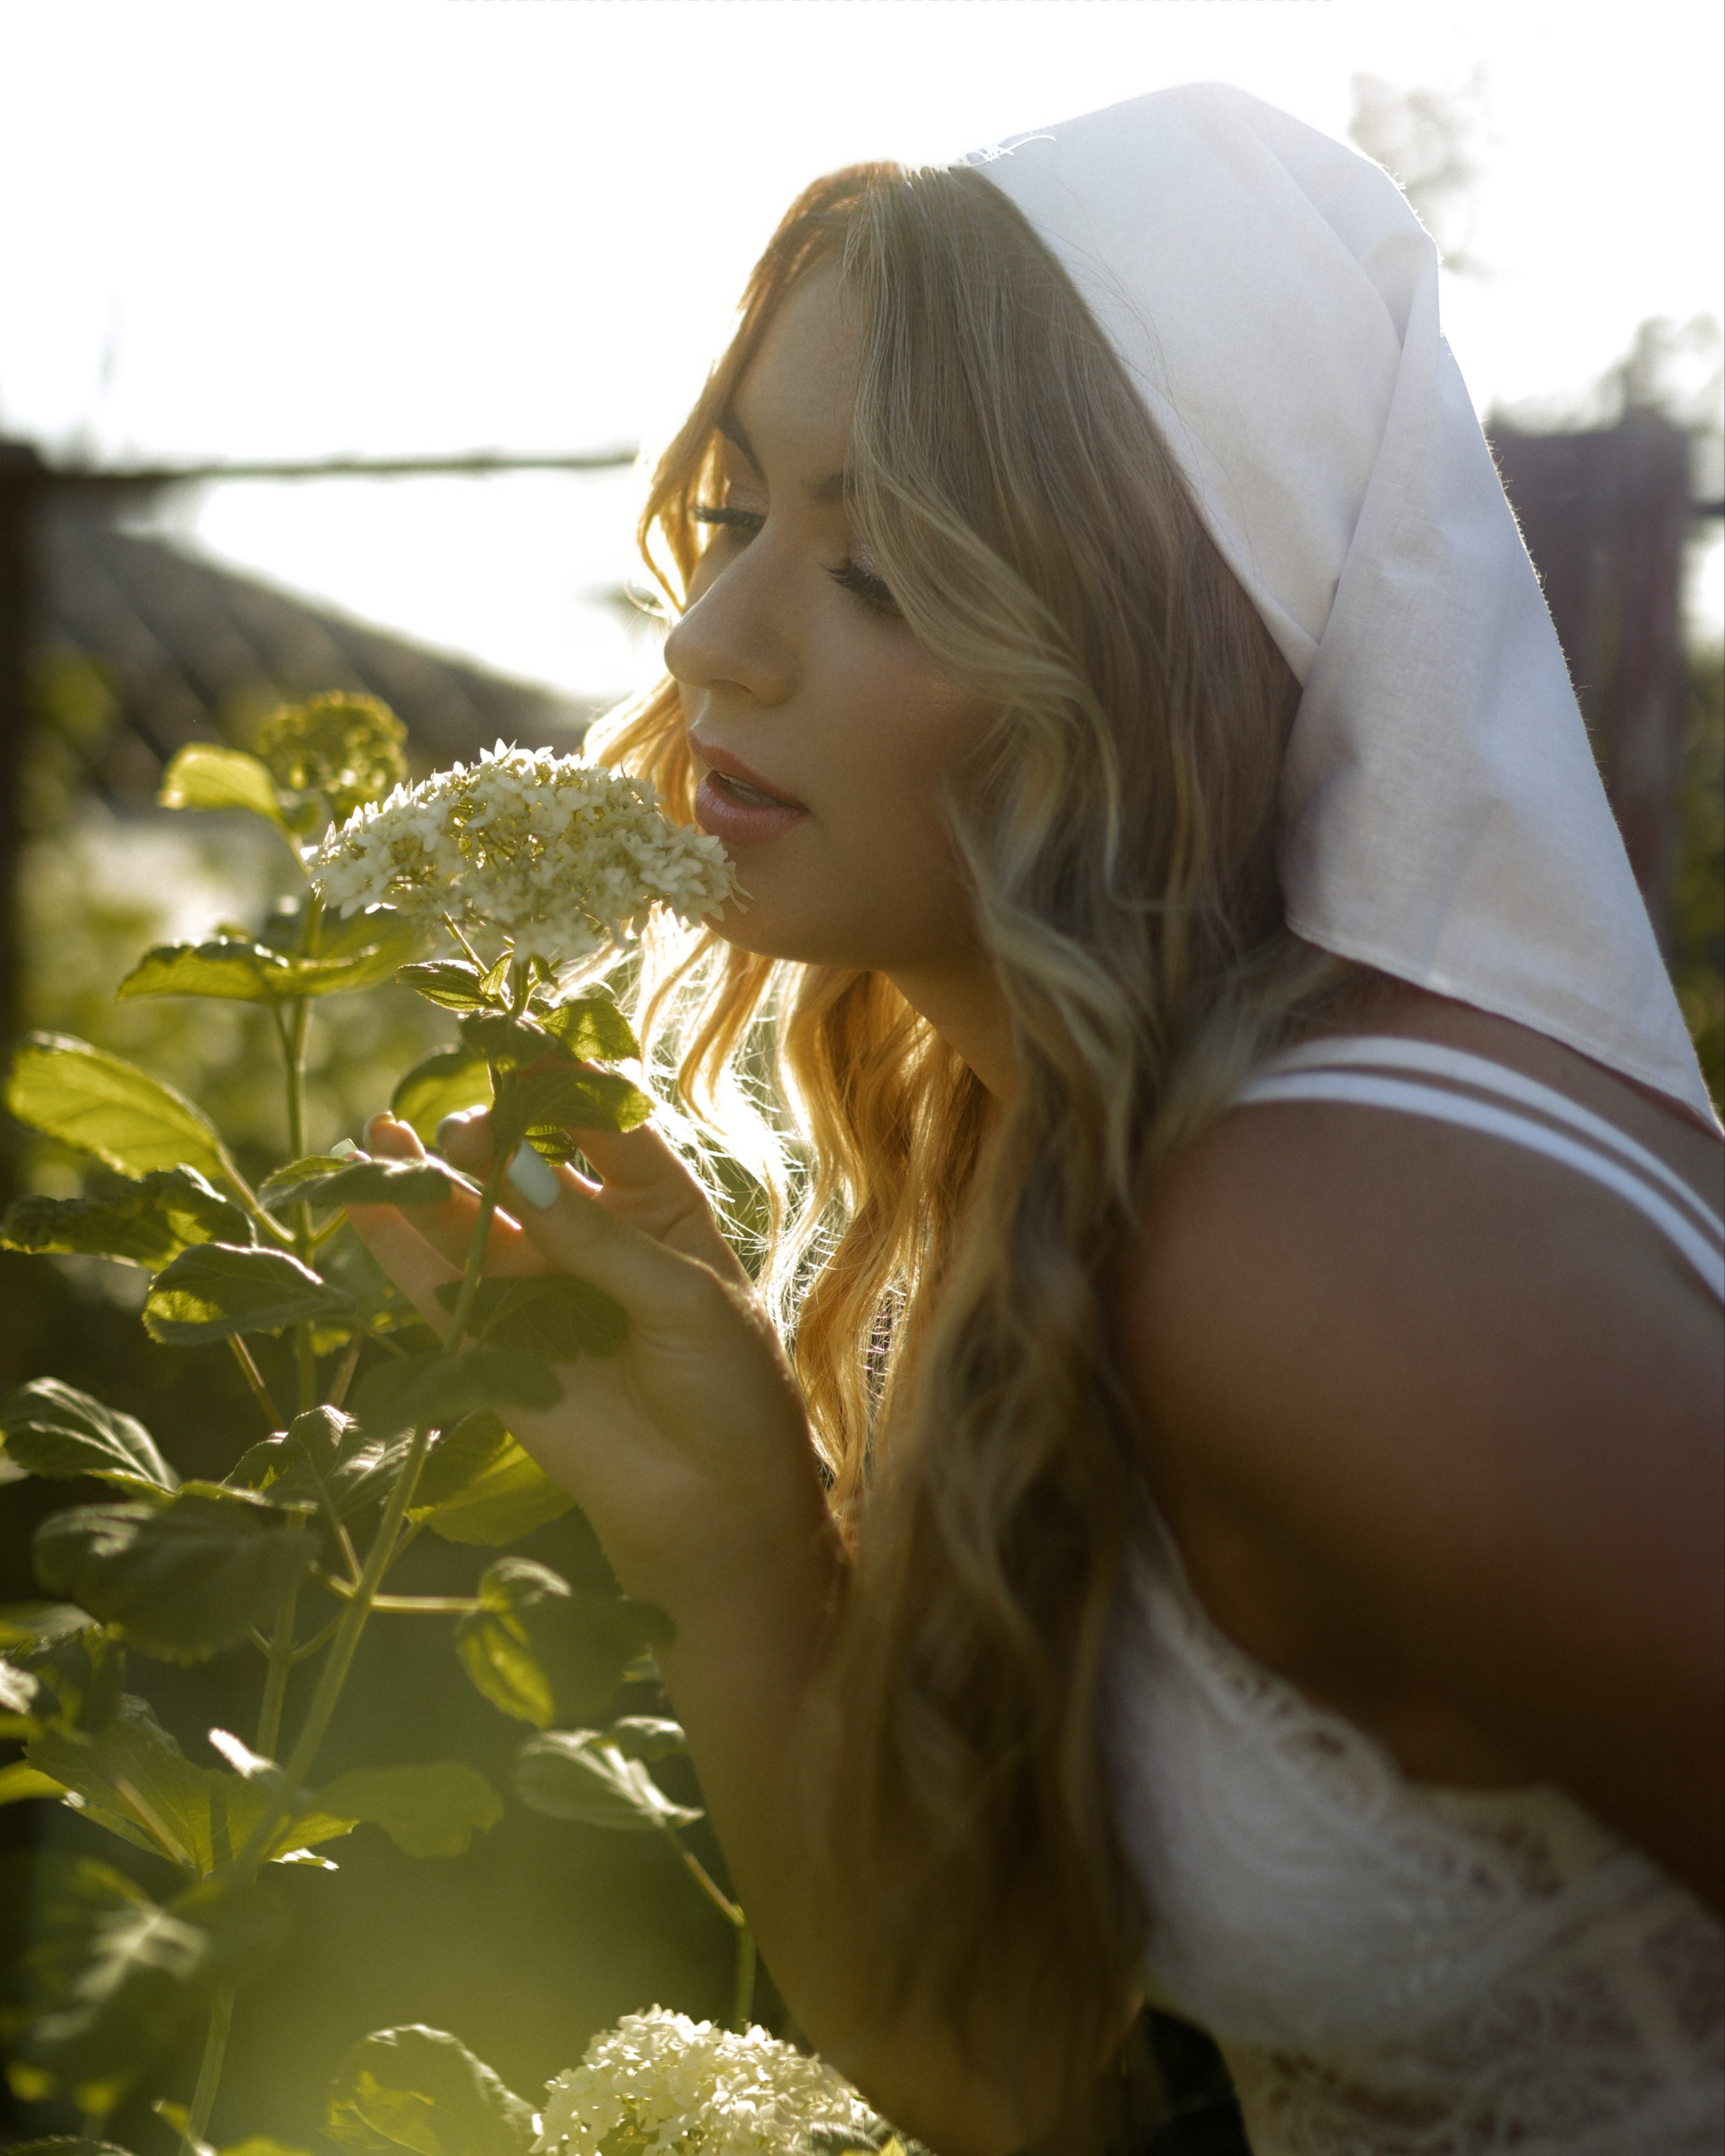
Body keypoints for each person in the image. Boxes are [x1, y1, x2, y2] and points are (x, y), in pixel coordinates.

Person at [347, 87, 1725, 2156]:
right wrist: (735, 1548)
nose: (710, 640)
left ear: (1153, 663)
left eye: (882, 567)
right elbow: (988, 2074)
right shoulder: (1082, 1167)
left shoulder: (1320, 1244)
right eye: (735, 515)